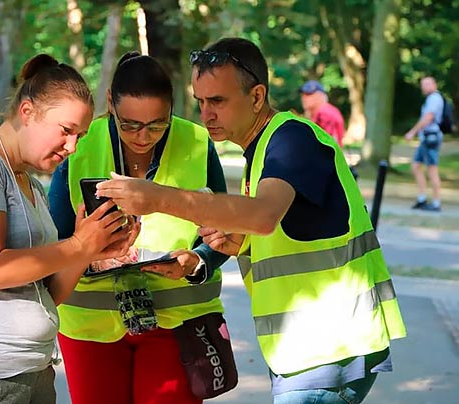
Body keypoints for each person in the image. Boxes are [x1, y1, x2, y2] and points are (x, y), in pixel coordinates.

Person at [97, 38, 407, 404]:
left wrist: (157, 198)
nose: (205, 114)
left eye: (217, 101)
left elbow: (262, 216)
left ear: (257, 96)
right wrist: (236, 245)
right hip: (310, 351)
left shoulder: (291, 139)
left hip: (327, 349)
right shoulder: (262, 151)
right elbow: (287, 233)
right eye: (200, 101)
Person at [0, 54, 136, 404]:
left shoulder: (33, 186)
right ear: (27, 112)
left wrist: (92, 250)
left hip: (33, 370)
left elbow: (46, 295)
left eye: (80, 136)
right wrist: (77, 246)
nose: (72, 147)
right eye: (66, 130)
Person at [48, 52, 229, 404]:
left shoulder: (196, 142)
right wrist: (87, 251)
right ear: (111, 106)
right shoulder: (79, 145)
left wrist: (196, 260)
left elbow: (225, 231)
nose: (143, 137)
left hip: (178, 321)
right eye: (129, 124)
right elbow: (53, 242)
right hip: (91, 326)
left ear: (173, 108)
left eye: (157, 125)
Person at [404, 76, 444, 212]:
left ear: (434, 84)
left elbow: (428, 117)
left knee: (432, 170)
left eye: (427, 84)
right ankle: (422, 198)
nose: (424, 87)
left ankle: (436, 202)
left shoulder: (435, 98)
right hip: (425, 138)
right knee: (416, 166)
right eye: (423, 84)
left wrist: (412, 132)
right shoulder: (430, 99)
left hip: (431, 138)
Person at [300, 79, 345, 147]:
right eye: (303, 94)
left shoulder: (325, 114)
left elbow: (328, 145)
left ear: (320, 96)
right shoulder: (315, 113)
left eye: (309, 94)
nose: (304, 98)